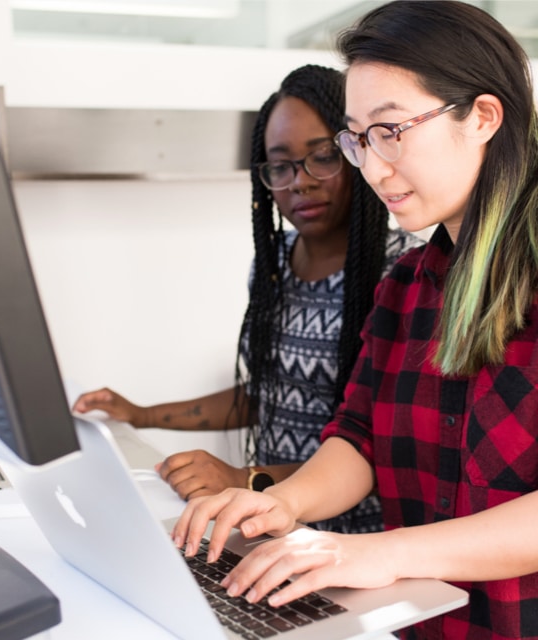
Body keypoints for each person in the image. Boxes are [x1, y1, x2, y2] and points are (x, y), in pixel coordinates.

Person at [171, 1, 538, 638]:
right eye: (359, 137)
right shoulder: (405, 288)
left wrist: (373, 552)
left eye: (391, 130)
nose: (371, 165)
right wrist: (276, 503)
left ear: (483, 117)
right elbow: (359, 437)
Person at [73, 64, 421, 533]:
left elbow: (384, 451)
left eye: (322, 157)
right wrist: (141, 414)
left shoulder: (403, 273)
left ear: (356, 152)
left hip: (358, 541)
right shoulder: (274, 263)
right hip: (276, 526)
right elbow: (265, 394)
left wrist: (245, 480)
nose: (299, 181)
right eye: (280, 166)